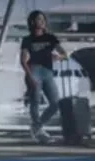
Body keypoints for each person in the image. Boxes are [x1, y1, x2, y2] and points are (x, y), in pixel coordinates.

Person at [20, 11, 67, 144]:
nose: (41, 21)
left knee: (55, 103)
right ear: (32, 22)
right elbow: (23, 60)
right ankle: (38, 130)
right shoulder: (27, 40)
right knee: (35, 102)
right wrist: (30, 77)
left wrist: (58, 57)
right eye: (38, 19)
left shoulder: (50, 38)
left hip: (47, 72)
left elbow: (64, 53)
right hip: (33, 70)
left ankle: (36, 126)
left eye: (43, 19)